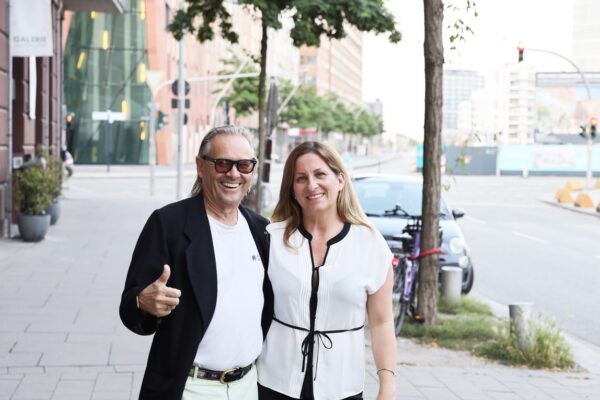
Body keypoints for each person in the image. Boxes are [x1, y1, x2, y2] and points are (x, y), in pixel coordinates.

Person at [119, 125, 273, 400]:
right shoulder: (168, 224)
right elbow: (130, 308)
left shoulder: (261, 230)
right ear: (201, 167)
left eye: (244, 165)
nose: (234, 174)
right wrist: (143, 302)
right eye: (223, 163)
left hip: (248, 385)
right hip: (190, 387)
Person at [257, 141, 396, 400]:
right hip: (274, 382)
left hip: (342, 386)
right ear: (292, 190)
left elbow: (382, 323)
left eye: (320, 174)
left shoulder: (370, 243)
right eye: (301, 178)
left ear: (340, 180)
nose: (312, 185)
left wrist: (387, 387)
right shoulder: (271, 239)